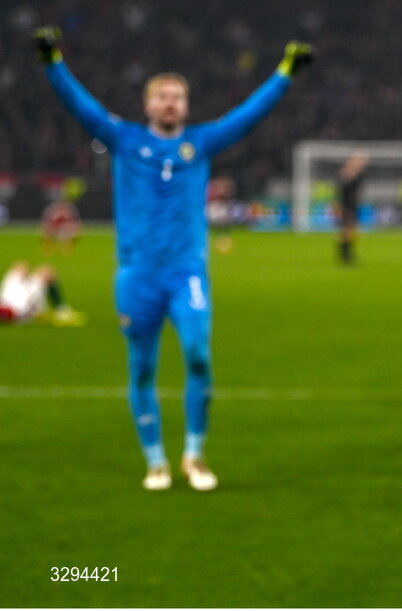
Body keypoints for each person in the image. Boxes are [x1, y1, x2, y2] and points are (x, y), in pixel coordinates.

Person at [35, 25, 313, 490]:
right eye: (162, 96)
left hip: (187, 275)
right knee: (141, 367)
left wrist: (284, 74)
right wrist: (53, 61)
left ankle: (194, 456)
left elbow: (247, 116)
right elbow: (79, 104)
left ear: (185, 106)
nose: (169, 103)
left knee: (199, 357)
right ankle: (156, 460)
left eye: (176, 97)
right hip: (136, 276)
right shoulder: (123, 138)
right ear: (148, 105)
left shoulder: (201, 142)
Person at [0, 261, 86, 327]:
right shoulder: (25, 283)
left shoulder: (17, 280)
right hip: (15, 308)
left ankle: (61, 310)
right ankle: (61, 309)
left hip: (15, 305)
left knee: (45, 272)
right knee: (46, 273)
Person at [336, 152, 369, 265]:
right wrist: (339, 207)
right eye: (360, 160)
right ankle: (345, 256)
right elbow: (340, 191)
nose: (362, 163)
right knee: (347, 231)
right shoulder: (345, 174)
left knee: (351, 231)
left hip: (353, 206)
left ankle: (348, 255)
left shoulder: (358, 175)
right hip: (346, 206)